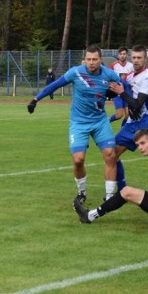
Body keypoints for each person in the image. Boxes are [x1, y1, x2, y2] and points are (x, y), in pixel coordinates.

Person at [27, 45, 122, 205]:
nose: (91, 63)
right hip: (79, 123)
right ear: (85, 60)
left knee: (110, 155)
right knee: (78, 160)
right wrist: (35, 100)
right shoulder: (76, 72)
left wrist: (124, 97)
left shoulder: (110, 74)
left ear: (101, 60)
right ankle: (81, 193)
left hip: (100, 121)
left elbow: (124, 87)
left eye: (94, 59)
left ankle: (110, 197)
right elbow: (55, 85)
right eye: (89, 59)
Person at [107, 45, 148, 192]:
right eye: (134, 57)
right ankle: (122, 190)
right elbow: (122, 94)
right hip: (132, 123)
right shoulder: (130, 76)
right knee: (112, 154)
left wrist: (122, 93)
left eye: (139, 57)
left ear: (145, 59)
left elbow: (137, 103)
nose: (136, 60)